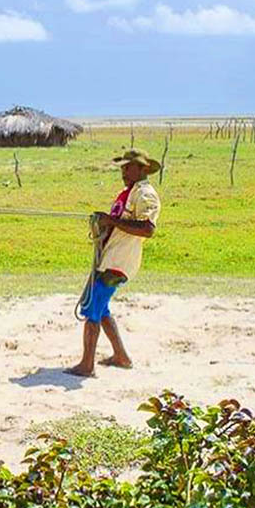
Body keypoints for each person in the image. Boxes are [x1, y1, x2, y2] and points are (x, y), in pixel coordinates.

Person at [67, 149, 161, 377]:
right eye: (122, 168)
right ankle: (121, 356)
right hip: (111, 257)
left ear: (142, 169)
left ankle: (87, 364)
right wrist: (105, 223)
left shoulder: (145, 195)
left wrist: (112, 221)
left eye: (128, 167)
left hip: (120, 260)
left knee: (92, 309)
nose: (123, 172)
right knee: (102, 307)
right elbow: (121, 222)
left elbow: (147, 229)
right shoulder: (129, 193)